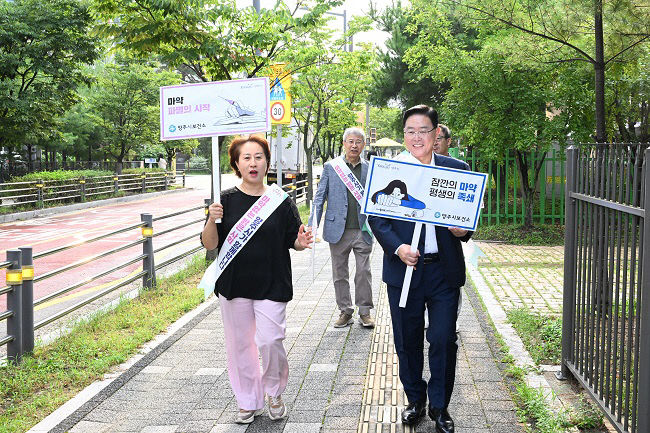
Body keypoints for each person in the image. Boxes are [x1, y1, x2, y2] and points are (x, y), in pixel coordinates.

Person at [368, 106, 472, 433]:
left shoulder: (456, 170)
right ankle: (416, 399)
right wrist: (398, 248)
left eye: (423, 131)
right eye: (411, 131)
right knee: (406, 339)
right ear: (404, 135)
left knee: (443, 339)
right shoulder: (389, 169)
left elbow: (466, 221)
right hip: (404, 272)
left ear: (435, 133)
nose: (417, 137)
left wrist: (463, 230)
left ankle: (440, 406)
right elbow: (377, 219)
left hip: (443, 271)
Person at [201, 135, 313, 424]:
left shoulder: (280, 200)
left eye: (258, 157)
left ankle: (274, 391)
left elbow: (294, 241)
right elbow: (210, 244)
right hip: (234, 284)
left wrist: (301, 241)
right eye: (246, 158)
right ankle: (248, 400)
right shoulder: (223, 200)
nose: (253, 163)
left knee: (270, 340)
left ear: (267, 162)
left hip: (272, 282)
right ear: (237, 164)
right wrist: (211, 218)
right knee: (240, 345)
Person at [309, 127, 375, 328]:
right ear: (344, 143)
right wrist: (313, 225)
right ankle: (345, 311)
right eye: (350, 141)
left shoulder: (370, 168)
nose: (354, 145)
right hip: (337, 229)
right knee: (339, 273)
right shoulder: (331, 167)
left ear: (364, 145)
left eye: (358, 142)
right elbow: (319, 198)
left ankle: (365, 311)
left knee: (363, 271)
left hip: (363, 229)